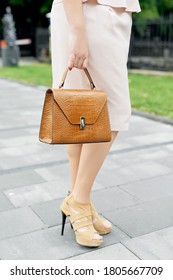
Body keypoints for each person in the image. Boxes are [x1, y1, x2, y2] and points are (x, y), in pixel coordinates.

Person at [50, 0, 141, 247]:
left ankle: (80, 201)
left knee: (81, 115)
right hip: (88, 14)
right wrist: (78, 31)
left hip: (107, 16)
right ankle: (79, 203)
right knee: (111, 112)